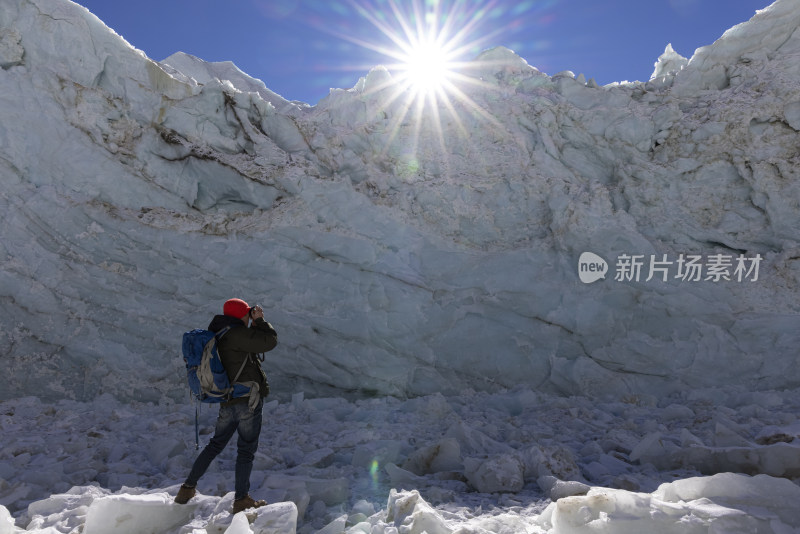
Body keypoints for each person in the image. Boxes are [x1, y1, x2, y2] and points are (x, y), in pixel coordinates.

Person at [175, 298, 278, 514]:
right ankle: (241, 499)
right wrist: (260, 321)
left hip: (227, 400)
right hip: (247, 400)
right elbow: (269, 341)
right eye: (247, 313)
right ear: (241, 313)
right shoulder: (237, 334)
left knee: (215, 444)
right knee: (246, 450)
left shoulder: (219, 334)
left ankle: (187, 488)